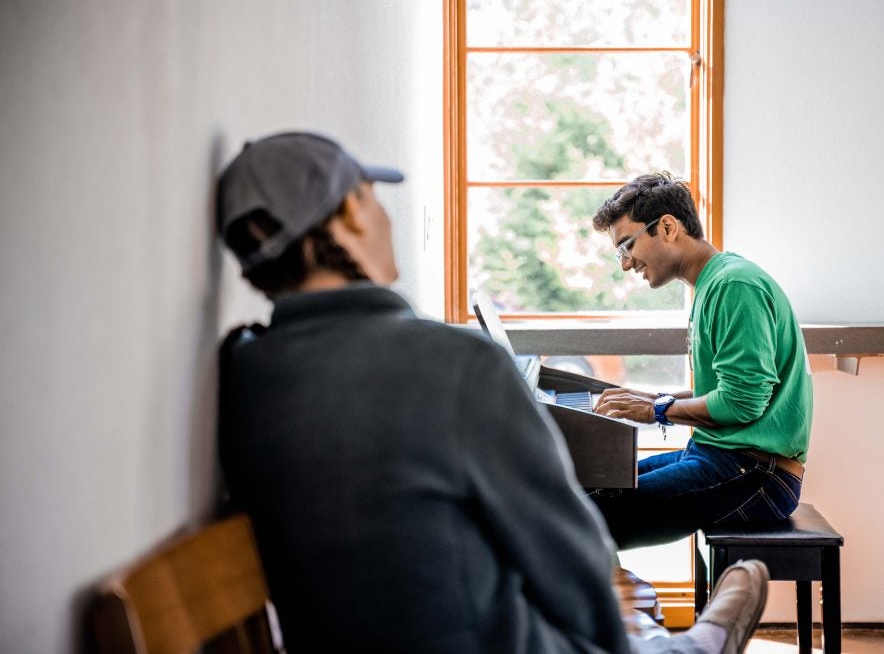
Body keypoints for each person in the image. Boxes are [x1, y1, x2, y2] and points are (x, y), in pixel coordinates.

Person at [216, 132, 769, 653]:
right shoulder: (457, 365)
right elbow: (569, 560)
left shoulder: (247, 369)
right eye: (370, 197)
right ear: (346, 220)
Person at [590, 172, 813, 550]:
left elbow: (742, 403)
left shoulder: (734, 286)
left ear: (667, 226)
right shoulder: (714, 283)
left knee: (586, 514)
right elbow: (724, 390)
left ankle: (610, 610)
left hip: (758, 474)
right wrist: (648, 399)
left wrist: (657, 410)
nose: (626, 264)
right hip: (721, 456)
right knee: (590, 487)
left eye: (627, 246)